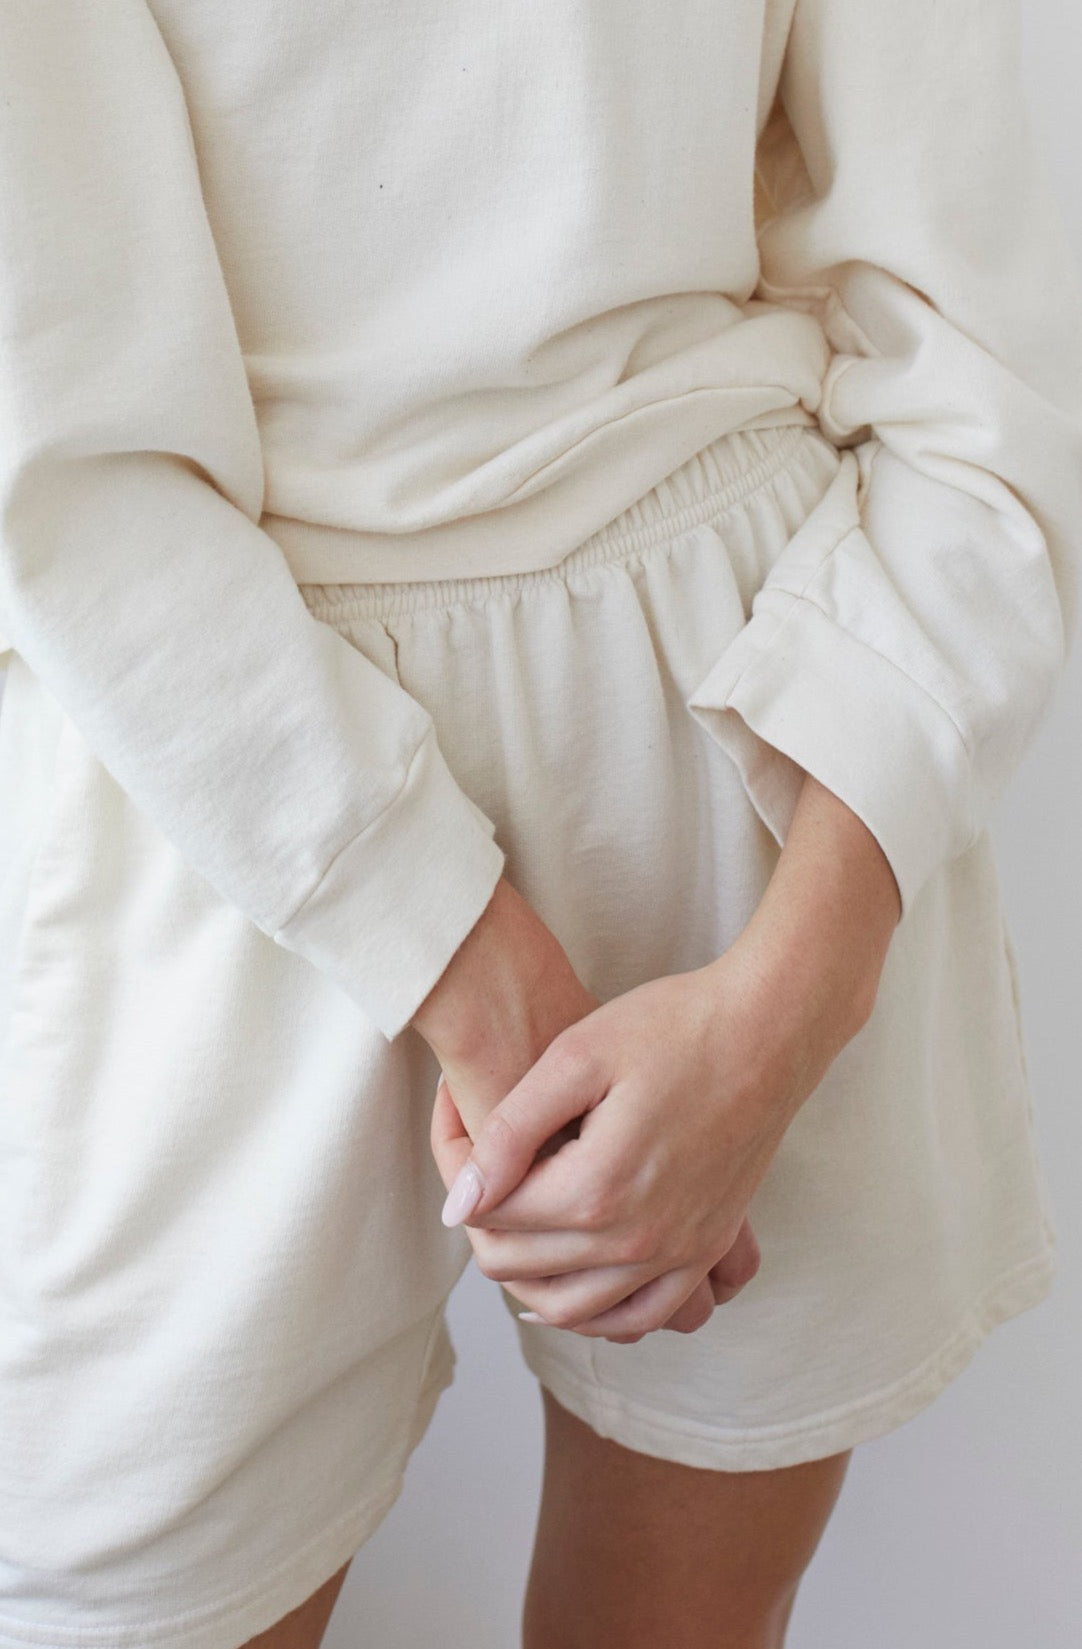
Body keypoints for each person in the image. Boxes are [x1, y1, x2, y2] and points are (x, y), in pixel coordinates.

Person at [0, 1, 1079, 1646]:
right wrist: (460, 957)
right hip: (218, 777)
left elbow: (983, 351)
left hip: (761, 735)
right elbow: (64, 459)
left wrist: (798, 985)